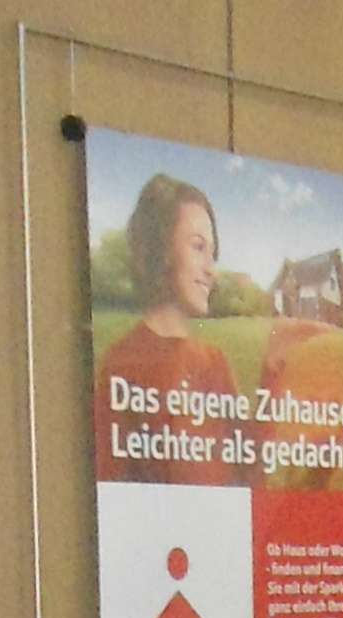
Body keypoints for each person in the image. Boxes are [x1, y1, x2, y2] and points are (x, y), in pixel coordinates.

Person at [94, 171, 245, 483]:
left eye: (212, 253)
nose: (210, 270)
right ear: (162, 249)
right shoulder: (122, 364)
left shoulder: (215, 363)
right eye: (198, 247)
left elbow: (248, 480)